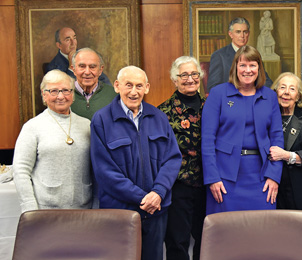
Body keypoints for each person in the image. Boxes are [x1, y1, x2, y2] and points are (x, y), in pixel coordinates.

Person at [90, 66, 182, 260]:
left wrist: (157, 193)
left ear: (147, 88)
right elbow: (104, 171)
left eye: (139, 86)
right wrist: (143, 198)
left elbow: (172, 159)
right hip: (120, 212)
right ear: (116, 86)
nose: (134, 91)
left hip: (156, 211)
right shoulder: (101, 120)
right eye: (128, 85)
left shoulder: (158, 117)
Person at [202, 46, 283, 214]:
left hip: (262, 177)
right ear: (235, 68)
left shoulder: (270, 96)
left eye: (252, 65)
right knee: (226, 233)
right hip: (224, 178)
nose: (248, 70)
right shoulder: (218, 94)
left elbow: (277, 138)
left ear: (259, 68)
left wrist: (274, 176)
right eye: (243, 65)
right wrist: (213, 178)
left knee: (260, 231)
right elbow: (208, 140)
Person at [13, 69, 92, 213]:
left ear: (73, 94)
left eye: (66, 90)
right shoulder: (32, 127)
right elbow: (21, 170)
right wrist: (30, 208)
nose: (60, 96)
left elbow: (95, 168)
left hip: (83, 209)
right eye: (54, 91)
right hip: (45, 211)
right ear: (44, 95)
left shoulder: (86, 125)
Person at [157, 56, 206, 260]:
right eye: (184, 75)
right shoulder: (162, 112)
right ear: (174, 79)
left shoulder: (211, 107)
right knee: (178, 242)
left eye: (194, 74)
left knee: (207, 240)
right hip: (178, 186)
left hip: (208, 184)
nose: (190, 79)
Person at [268, 72, 302, 211]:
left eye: (292, 89)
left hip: (300, 189)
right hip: (271, 187)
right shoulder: (266, 116)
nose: (286, 92)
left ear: (298, 96)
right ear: (275, 92)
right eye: (282, 87)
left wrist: (286, 155)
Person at [206, 17, 273, 93]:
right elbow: (213, 87)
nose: (242, 36)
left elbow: (266, 81)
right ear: (230, 34)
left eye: (245, 32)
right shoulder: (219, 56)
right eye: (238, 32)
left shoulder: (255, 54)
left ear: (248, 33)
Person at [45, 27, 111, 85]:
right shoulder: (52, 67)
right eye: (67, 40)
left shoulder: (85, 54)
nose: (73, 43)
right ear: (59, 45)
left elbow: (104, 80)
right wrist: (71, 67)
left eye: (74, 38)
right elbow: (64, 89)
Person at [70, 48, 117, 120]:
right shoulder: (65, 95)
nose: (87, 72)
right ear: (74, 70)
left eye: (92, 67)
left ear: (100, 70)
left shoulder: (114, 95)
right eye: (82, 66)